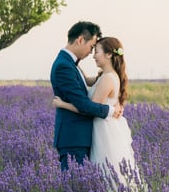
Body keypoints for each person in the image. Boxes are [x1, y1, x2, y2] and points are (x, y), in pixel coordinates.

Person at [53, 36, 140, 191]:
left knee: (107, 174)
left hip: (104, 131)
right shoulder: (103, 76)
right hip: (102, 128)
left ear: (108, 55)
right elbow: (85, 79)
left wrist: (62, 104)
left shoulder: (107, 78)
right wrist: (74, 59)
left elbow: (89, 108)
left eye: (96, 51)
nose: (93, 55)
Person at [51, 21, 123, 171]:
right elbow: (83, 105)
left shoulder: (71, 64)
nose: (91, 53)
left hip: (81, 138)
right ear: (80, 40)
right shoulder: (64, 66)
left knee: (82, 188)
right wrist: (110, 110)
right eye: (91, 47)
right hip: (74, 138)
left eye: (95, 50)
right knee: (75, 188)